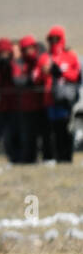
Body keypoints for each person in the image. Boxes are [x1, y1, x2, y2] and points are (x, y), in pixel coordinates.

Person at [37, 26, 80, 163]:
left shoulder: (70, 56)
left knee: (65, 129)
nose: (54, 42)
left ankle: (66, 157)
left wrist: (61, 73)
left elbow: (76, 76)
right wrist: (45, 72)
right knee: (50, 132)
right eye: (51, 39)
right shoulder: (45, 58)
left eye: (57, 39)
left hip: (65, 100)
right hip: (49, 100)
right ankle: (51, 157)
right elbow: (36, 77)